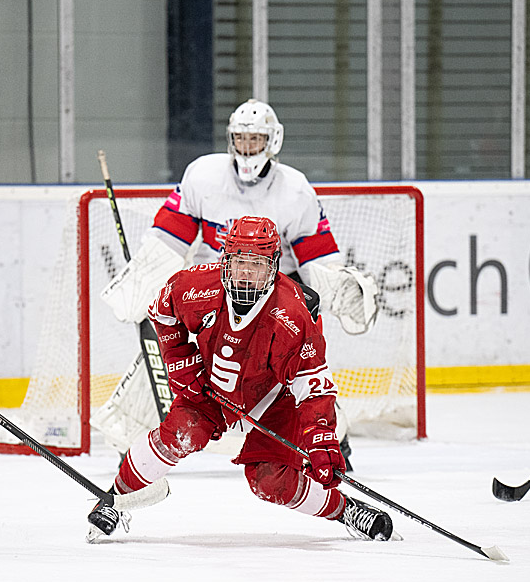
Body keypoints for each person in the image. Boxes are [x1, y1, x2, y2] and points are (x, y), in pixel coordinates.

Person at [92, 98, 378, 467]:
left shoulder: (295, 190)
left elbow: (317, 258)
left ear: (272, 142)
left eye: (255, 140)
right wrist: (145, 283)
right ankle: (130, 446)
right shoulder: (203, 175)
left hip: (269, 299)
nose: (247, 148)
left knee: (297, 376)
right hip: (211, 293)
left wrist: (337, 291)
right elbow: (168, 237)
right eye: (241, 140)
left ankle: (331, 440)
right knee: (158, 362)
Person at [84, 216, 393, 543]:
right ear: (224, 260)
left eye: (256, 264)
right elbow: (161, 312)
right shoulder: (195, 287)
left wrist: (320, 437)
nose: (246, 273)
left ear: (274, 265)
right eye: (239, 262)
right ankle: (114, 499)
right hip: (209, 390)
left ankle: (346, 510)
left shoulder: (293, 315)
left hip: (273, 399)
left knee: (269, 481)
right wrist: (181, 362)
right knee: (178, 434)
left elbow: (314, 386)